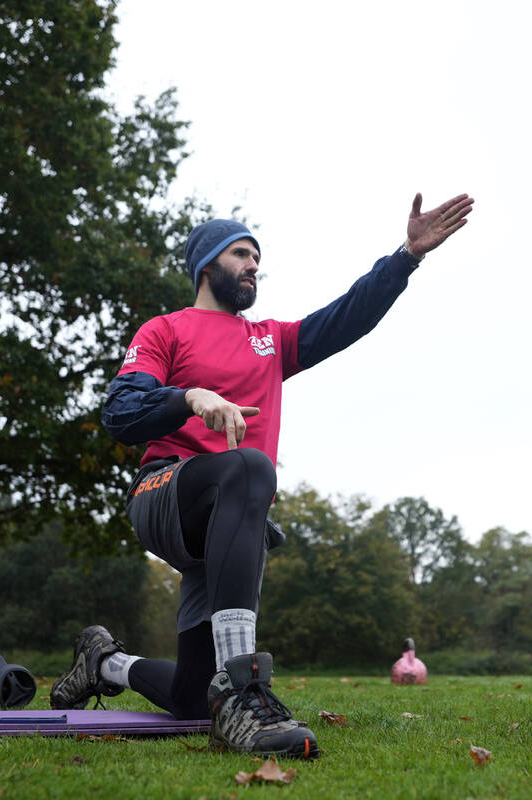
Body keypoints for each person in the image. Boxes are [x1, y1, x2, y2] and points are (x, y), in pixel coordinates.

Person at [49, 192, 474, 758]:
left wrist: (405, 258)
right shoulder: (165, 331)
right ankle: (245, 687)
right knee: (251, 466)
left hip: (228, 520)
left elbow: (347, 316)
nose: (255, 265)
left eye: (258, 257)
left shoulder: (270, 340)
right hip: (163, 494)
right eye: (243, 254)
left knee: (192, 700)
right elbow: (121, 414)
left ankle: (104, 661)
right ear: (207, 264)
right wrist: (191, 397)